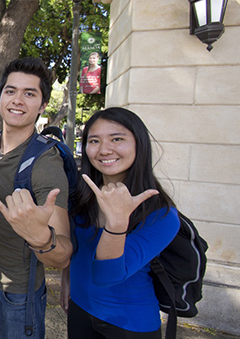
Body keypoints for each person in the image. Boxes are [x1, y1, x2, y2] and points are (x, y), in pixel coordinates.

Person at [0, 57, 73, 339]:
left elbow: (63, 254)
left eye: (29, 94)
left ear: (43, 106)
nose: (17, 100)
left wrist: (40, 236)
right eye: (11, 91)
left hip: (19, 296)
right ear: (0, 96)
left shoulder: (45, 162)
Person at [60, 107, 180, 338]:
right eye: (94, 140)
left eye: (117, 139)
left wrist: (116, 223)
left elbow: (107, 276)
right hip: (80, 309)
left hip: (129, 324)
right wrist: (67, 276)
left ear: (139, 144)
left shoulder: (161, 214)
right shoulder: (82, 195)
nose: (104, 150)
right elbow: (76, 247)